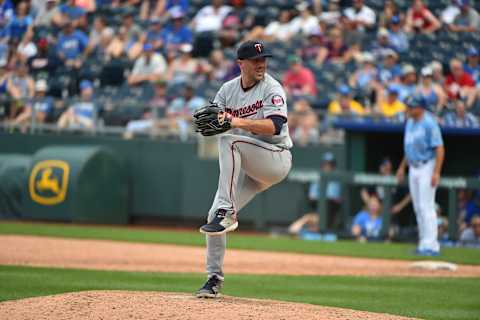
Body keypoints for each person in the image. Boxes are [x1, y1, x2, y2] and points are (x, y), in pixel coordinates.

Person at [195, 40, 292, 298]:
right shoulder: (227, 90)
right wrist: (215, 121)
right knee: (214, 215)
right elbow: (214, 120)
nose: (261, 64)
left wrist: (234, 121)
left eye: (264, 59)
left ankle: (228, 210)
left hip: (275, 159)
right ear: (241, 64)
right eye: (255, 60)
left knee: (230, 140)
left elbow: (275, 126)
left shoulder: (272, 88)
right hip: (249, 165)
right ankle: (213, 279)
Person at [396, 94, 445, 256]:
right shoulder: (410, 122)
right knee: (418, 207)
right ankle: (424, 243)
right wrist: (402, 167)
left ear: (420, 108)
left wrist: (436, 172)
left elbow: (439, 148)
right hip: (413, 166)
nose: (408, 109)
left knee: (427, 206)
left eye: (411, 106)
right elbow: (409, 148)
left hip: (427, 166)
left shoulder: (429, 123)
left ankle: (432, 245)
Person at [287, 152, 341, 236]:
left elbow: (333, 198)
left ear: (333, 165)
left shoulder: (335, 179)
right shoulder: (317, 179)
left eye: (330, 164)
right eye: (326, 164)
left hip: (330, 211)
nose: (327, 166)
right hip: (316, 208)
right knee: (307, 218)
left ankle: (311, 228)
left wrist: (321, 197)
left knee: (308, 219)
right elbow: (312, 196)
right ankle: (308, 229)